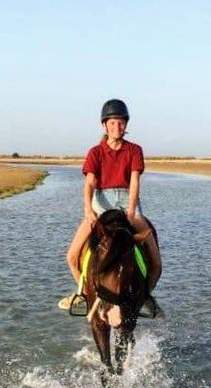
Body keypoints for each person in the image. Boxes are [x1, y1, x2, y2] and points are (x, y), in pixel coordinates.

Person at [59, 98, 163, 317]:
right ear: (104, 125)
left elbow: (135, 181)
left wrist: (132, 210)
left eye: (121, 122)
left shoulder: (134, 150)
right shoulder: (95, 152)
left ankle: (145, 297)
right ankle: (85, 293)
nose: (117, 127)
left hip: (127, 199)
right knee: (71, 257)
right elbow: (89, 183)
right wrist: (88, 210)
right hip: (101, 201)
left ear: (126, 125)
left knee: (156, 261)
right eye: (113, 123)